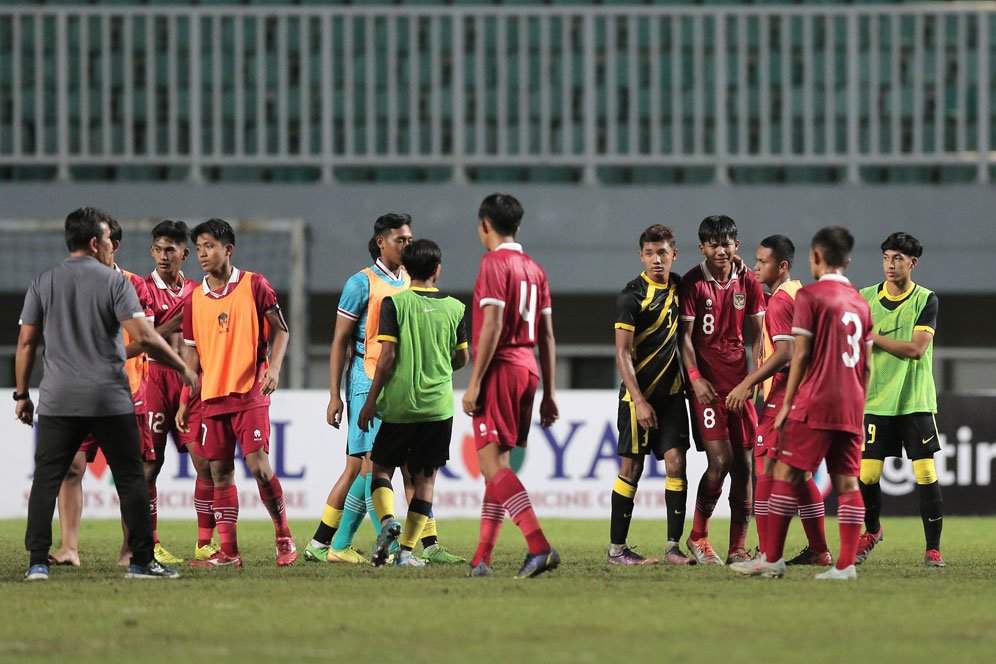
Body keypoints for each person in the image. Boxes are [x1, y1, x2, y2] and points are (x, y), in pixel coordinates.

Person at [16, 207, 196, 581]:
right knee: (131, 476)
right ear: (96, 242)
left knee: (47, 476)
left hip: (58, 397)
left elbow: (26, 344)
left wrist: (21, 394)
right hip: (110, 395)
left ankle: (37, 563)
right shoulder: (116, 283)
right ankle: (141, 561)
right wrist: (181, 366)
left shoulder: (43, 281)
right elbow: (144, 336)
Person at [304, 214, 463, 566]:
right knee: (374, 468)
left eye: (410, 239)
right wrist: (335, 394)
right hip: (366, 380)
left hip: (398, 385)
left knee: (385, 468)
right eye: (401, 240)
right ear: (381, 242)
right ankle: (383, 546)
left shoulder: (410, 280)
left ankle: (326, 543)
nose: (407, 245)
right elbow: (339, 341)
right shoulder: (361, 283)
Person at [731, 226, 873, 581]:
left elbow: (798, 354)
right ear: (848, 260)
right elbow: (867, 364)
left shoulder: (811, 296)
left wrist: (788, 404)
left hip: (815, 401)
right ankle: (845, 565)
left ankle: (771, 558)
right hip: (852, 404)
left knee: (782, 473)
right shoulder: (860, 301)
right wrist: (860, 405)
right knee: (847, 483)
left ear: (815, 257)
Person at [49, 217, 178, 568]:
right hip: (79, 391)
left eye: (98, 241)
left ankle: (129, 551)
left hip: (126, 392)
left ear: (112, 246)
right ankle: (70, 549)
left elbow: (145, 337)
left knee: (130, 474)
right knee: (71, 467)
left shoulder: (134, 284)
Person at [177, 218, 296, 567]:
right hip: (211, 396)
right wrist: (186, 399)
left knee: (259, 466)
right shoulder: (194, 299)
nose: (202, 254)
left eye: (209, 246)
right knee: (219, 474)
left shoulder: (255, 285)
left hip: (249, 391)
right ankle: (229, 553)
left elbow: (282, 330)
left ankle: (283, 535)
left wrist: (273, 368)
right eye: (198, 248)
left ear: (228, 249)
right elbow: (193, 353)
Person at [463, 193, 560, 579]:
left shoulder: (493, 263)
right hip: (528, 368)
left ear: (485, 225)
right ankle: (481, 559)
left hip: (501, 367)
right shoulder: (535, 269)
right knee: (497, 465)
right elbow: (549, 336)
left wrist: (473, 384)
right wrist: (550, 392)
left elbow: (492, 324)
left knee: (491, 463)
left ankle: (539, 547)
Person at [356, 240, 469, 567]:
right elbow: (462, 357)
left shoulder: (395, 304)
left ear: (405, 269)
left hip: (399, 405)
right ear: (437, 270)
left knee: (381, 469)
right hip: (437, 407)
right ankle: (406, 552)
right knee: (425, 480)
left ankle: (388, 519)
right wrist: (439, 364)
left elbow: (387, 356)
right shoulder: (455, 308)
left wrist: (370, 400)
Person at [725, 235, 831, 566]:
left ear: (781, 265)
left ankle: (769, 553)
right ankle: (818, 550)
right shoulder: (796, 292)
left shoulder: (782, 303)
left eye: (763, 262)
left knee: (764, 467)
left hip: (786, 392)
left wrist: (747, 382)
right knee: (798, 476)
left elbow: (785, 354)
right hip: (807, 392)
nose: (756, 266)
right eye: (754, 261)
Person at [679, 215, 765, 565]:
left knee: (746, 465)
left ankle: (737, 548)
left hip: (740, 387)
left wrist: (753, 380)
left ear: (736, 245)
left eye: (726, 243)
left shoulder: (750, 282)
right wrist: (696, 377)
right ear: (702, 247)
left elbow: (759, 336)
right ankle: (698, 537)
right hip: (708, 389)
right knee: (721, 461)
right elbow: (684, 338)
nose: (720, 249)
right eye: (713, 244)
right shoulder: (692, 283)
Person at [856, 232, 945, 567]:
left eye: (897, 259)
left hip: (914, 401)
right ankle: (873, 530)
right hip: (875, 400)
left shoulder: (926, 299)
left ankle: (932, 549)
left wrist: (873, 336)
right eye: (885, 258)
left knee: (924, 472)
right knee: (867, 475)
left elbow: (916, 349)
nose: (890, 265)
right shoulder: (864, 298)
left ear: (913, 263)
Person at [609, 224, 694, 566]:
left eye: (662, 252)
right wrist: (639, 400)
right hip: (637, 398)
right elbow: (622, 353)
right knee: (631, 469)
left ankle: (673, 547)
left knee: (678, 464)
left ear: (674, 254)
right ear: (641, 256)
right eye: (649, 253)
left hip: (672, 394)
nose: (656, 259)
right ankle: (617, 550)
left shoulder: (680, 286)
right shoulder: (631, 296)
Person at [143, 220, 218, 564]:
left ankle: (205, 542)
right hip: (155, 379)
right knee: (150, 466)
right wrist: (176, 321)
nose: (162, 256)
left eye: (170, 250)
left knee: (205, 463)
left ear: (184, 253)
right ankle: (150, 542)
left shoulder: (196, 290)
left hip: (191, 383)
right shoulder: (142, 289)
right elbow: (144, 340)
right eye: (158, 249)